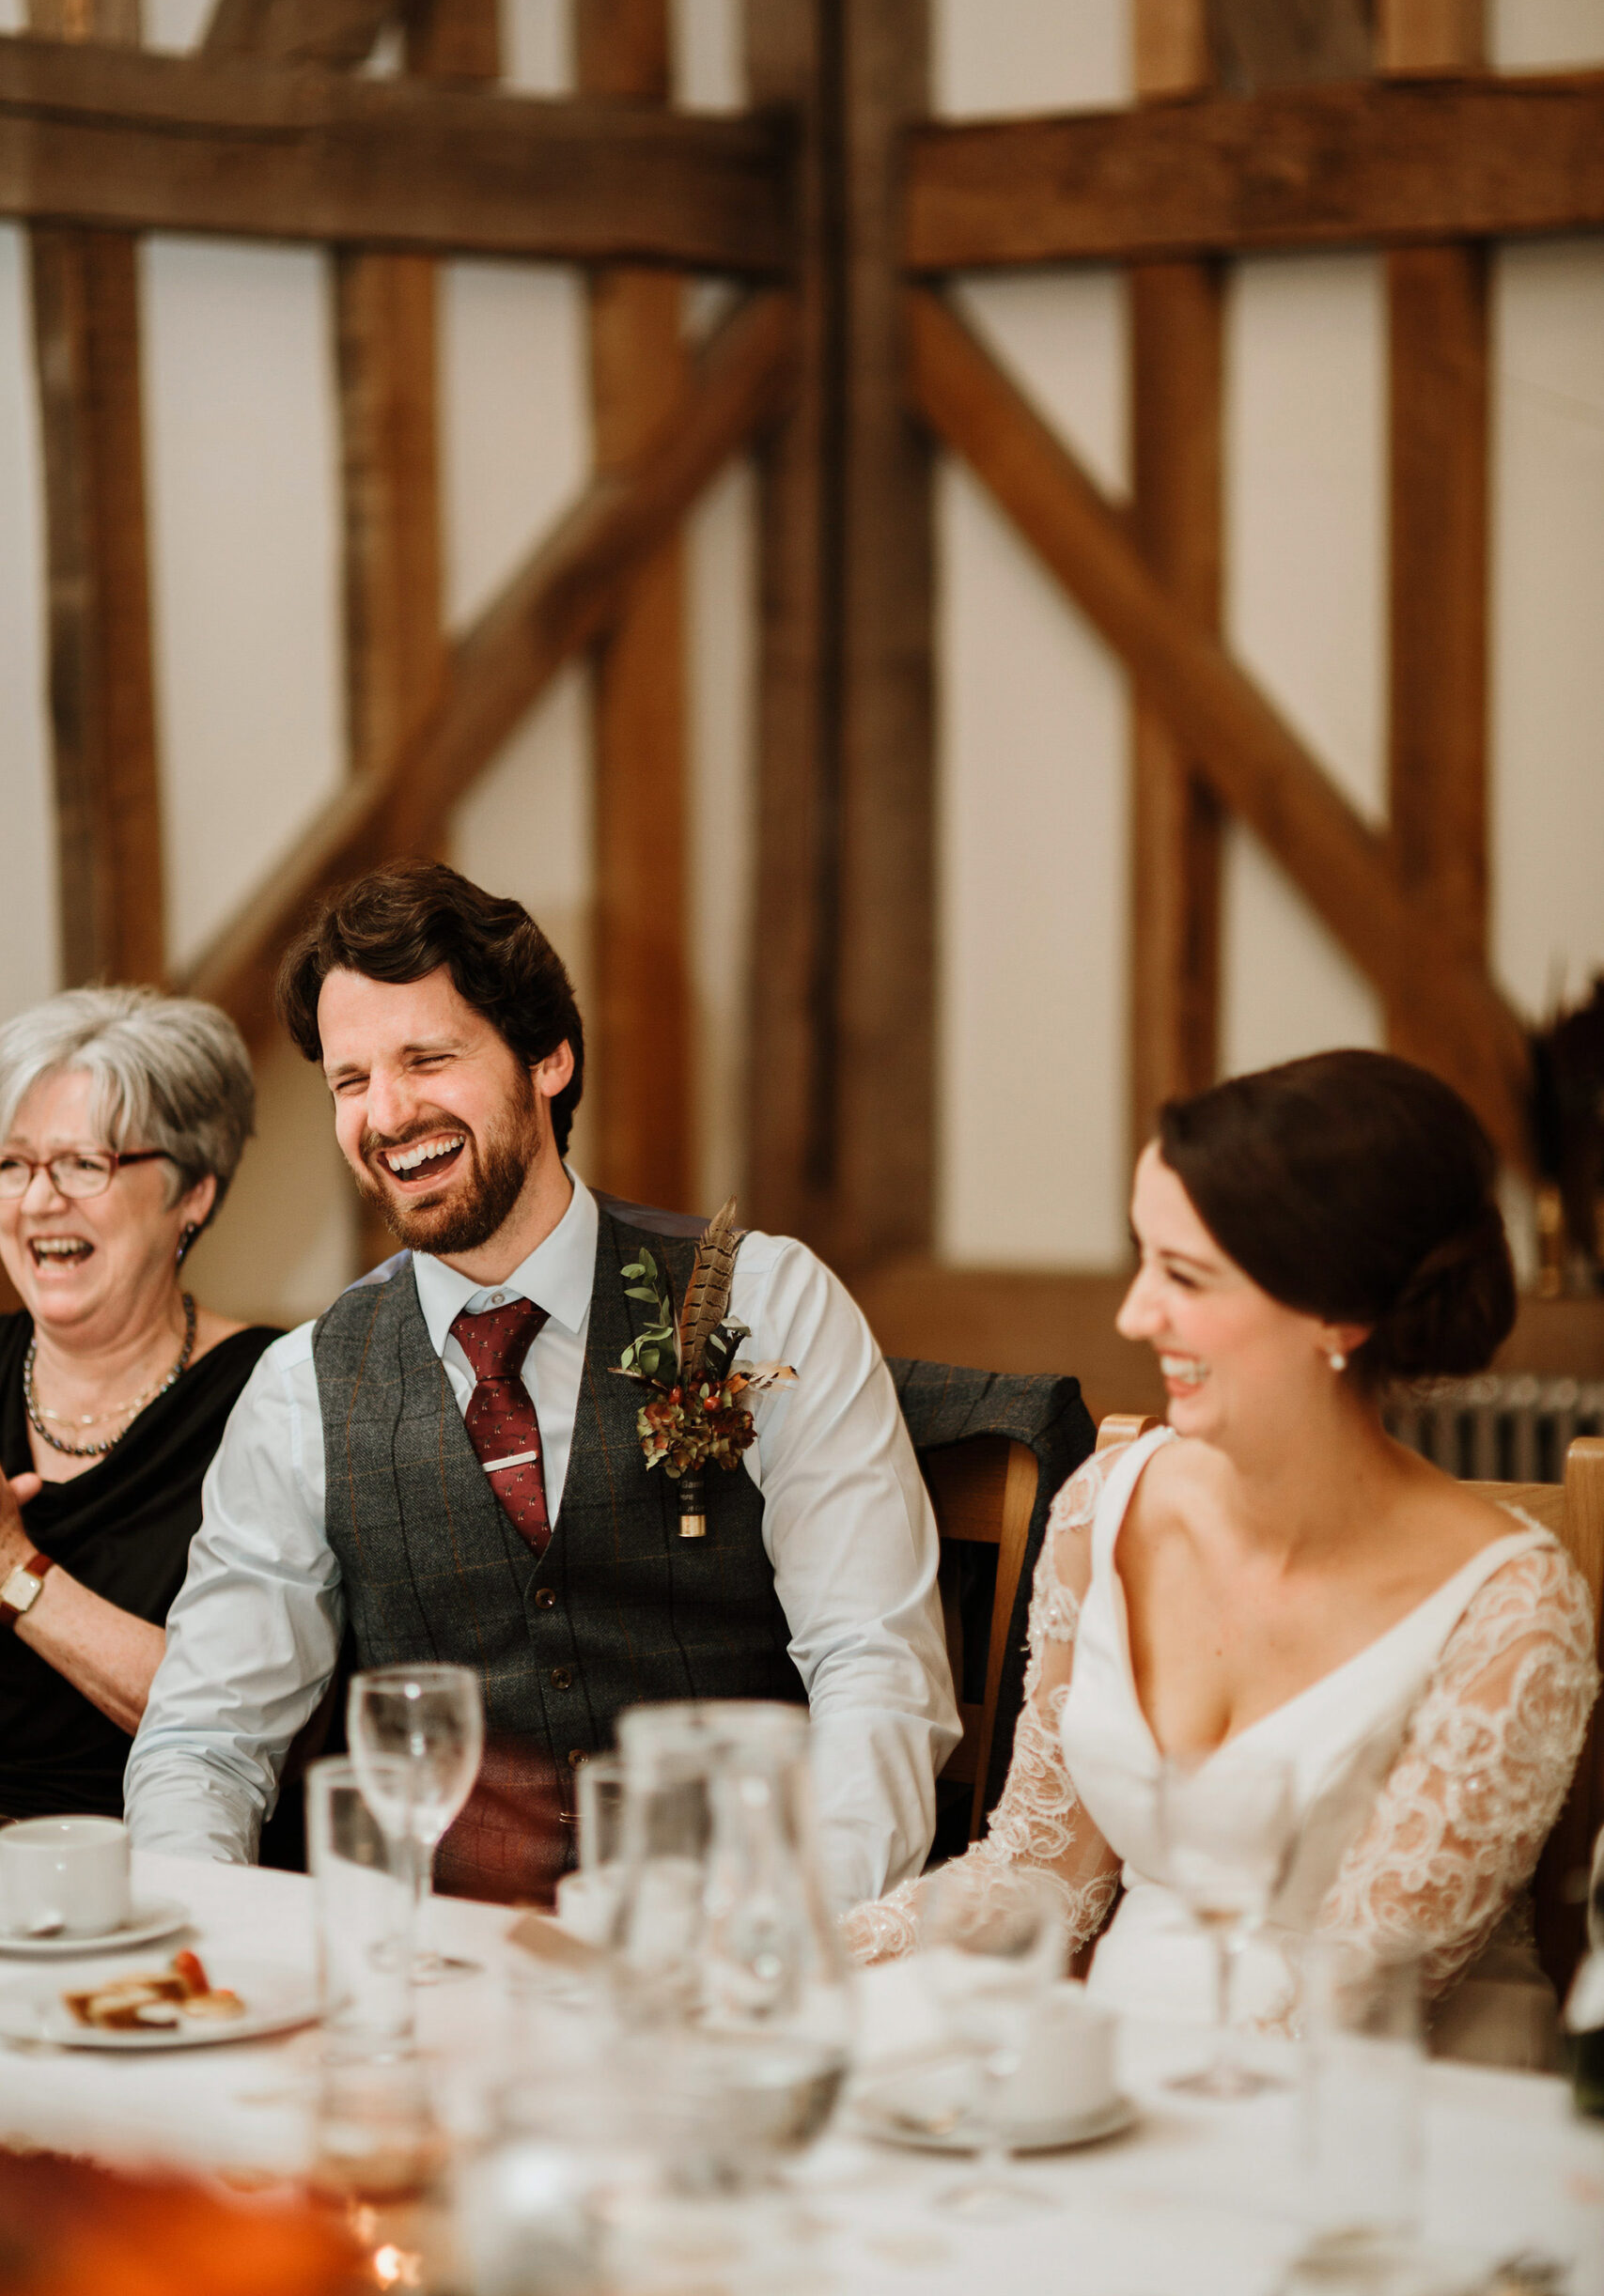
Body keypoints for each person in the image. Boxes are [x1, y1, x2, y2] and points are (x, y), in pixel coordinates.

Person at [124, 863, 959, 1905]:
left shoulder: (765, 1299)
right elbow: (206, 1741)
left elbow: (875, 1666)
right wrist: (204, 1949)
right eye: (351, 1081)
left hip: (736, 1949)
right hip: (444, 1984)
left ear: (548, 1057)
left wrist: (794, 1941)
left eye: (428, 1057)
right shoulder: (302, 1387)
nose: (386, 1114)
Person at [846, 1051, 1599, 2050]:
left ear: (1340, 1311)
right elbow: (1036, 1874)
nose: (1133, 1314)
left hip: (1384, 2115)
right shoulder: (1105, 1507)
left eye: (1185, 1276)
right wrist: (789, 1955)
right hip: (1104, 2085)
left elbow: (1356, 2001)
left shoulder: (1515, 1611)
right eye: (1142, 1259)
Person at [0, 989, 277, 1824]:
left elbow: (248, 1711)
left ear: (193, 1190)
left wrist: (16, 1573)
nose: (39, 1200)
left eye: (85, 1163)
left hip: (147, 1884)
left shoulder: (274, 1394)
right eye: (13, 1163)